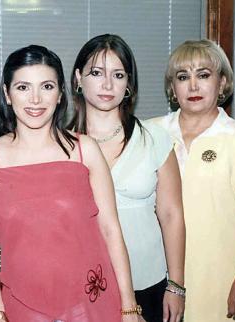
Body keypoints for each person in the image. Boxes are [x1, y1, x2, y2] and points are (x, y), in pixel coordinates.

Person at [0, 45, 146, 322]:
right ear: (7, 94)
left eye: (47, 86)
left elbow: (111, 229)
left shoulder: (84, 150)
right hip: (20, 304)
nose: (36, 99)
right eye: (23, 88)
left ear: (61, 93)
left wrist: (129, 307)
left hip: (92, 302)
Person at [152, 39, 235, 322]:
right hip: (162, 283)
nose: (193, 86)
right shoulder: (150, 133)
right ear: (173, 87)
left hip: (224, 285)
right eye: (183, 77)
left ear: (222, 83)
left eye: (203, 75)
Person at [69, 34, 186, 322]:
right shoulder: (59, 146)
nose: (107, 84)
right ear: (77, 79)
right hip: (82, 286)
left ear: (128, 84)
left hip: (148, 283)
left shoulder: (154, 138)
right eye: (96, 72)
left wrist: (176, 285)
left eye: (118, 74)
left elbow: (171, 215)